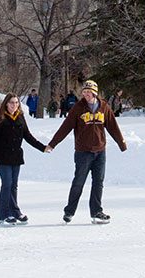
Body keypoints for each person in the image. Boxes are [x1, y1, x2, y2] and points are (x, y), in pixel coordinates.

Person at [46, 80, 126, 224]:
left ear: (94, 93)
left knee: (98, 182)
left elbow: (113, 126)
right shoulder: (78, 108)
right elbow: (65, 127)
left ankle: (96, 212)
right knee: (79, 182)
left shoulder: (104, 107)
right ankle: (69, 211)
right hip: (83, 152)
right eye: (84, 93)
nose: (86, 95)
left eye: (89, 92)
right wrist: (52, 144)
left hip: (100, 151)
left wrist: (121, 143)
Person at [0, 92, 48, 224]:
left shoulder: (20, 117)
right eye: (11, 103)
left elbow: (28, 136)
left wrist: (42, 147)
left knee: (13, 185)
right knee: (7, 184)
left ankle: (15, 212)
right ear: (6, 104)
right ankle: (4, 215)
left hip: (16, 157)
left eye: (16, 103)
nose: (14, 105)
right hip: (2, 158)